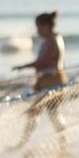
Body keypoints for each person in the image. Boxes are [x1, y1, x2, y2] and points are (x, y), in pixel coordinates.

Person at [12, 11, 67, 148]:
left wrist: (23, 66)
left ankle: (23, 142)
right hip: (46, 81)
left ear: (46, 26)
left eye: (38, 27)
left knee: (40, 112)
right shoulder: (50, 40)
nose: (37, 31)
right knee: (47, 113)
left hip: (53, 81)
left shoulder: (53, 41)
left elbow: (43, 62)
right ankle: (62, 143)